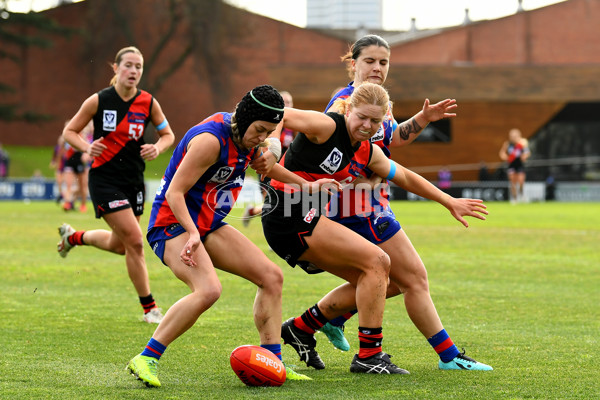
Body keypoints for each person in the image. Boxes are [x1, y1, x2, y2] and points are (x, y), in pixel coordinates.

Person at [287, 34, 492, 373]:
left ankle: (309, 324)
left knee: (392, 281)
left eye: (383, 62)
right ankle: (448, 355)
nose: (378, 68)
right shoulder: (343, 105)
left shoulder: (376, 102)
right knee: (413, 278)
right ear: (353, 64)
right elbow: (339, 155)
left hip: (371, 204)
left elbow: (389, 138)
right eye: (370, 61)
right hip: (356, 208)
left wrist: (423, 119)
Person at [126, 85, 336, 387]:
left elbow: (268, 166)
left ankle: (273, 360)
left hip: (206, 224)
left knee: (271, 277)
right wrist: (193, 232)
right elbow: (175, 192)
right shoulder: (210, 141)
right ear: (246, 119)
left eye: (268, 132)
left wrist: (308, 185)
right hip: (172, 224)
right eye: (260, 130)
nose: (263, 138)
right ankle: (147, 357)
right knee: (208, 290)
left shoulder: (247, 138)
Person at [57, 46, 175, 324]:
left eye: (139, 67)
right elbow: (69, 132)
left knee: (120, 245)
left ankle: (73, 237)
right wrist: (87, 147)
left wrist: (158, 148)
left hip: (133, 180)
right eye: (129, 66)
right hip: (104, 179)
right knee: (135, 241)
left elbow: (168, 134)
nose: (133, 71)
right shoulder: (98, 101)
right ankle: (151, 309)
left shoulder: (148, 103)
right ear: (116, 68)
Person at [241, 90, 297, 226]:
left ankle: (253, 211)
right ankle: (270, 228)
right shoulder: (270, 126)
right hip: (268, 166)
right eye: (284, 102)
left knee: (278, 203)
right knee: (272, 202)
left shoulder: (293, 128)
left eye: (289, 102)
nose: (286, 105)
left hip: (283, 167)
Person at [59, 120, 92, 212]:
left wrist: (87, 155)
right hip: (69, 161)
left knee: (82, 185)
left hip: (80, 161)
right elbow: (62, 151)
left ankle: (83, 205)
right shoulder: (65, 137)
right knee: (68, 184)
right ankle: (67, 203)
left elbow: (89, 147)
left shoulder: (82, 135)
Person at [499, 128, 530, 203]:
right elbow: (502, 152)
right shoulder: (507, 144)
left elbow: (527, 152)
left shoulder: (521, 144)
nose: (513, 137)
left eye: (515, 136)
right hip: (511, 165)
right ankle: (514, 198)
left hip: (520, 165)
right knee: (513, 182)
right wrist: (505, 157)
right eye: (512, 136)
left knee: (521, 181)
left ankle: (522, 195)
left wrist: (524, 156)